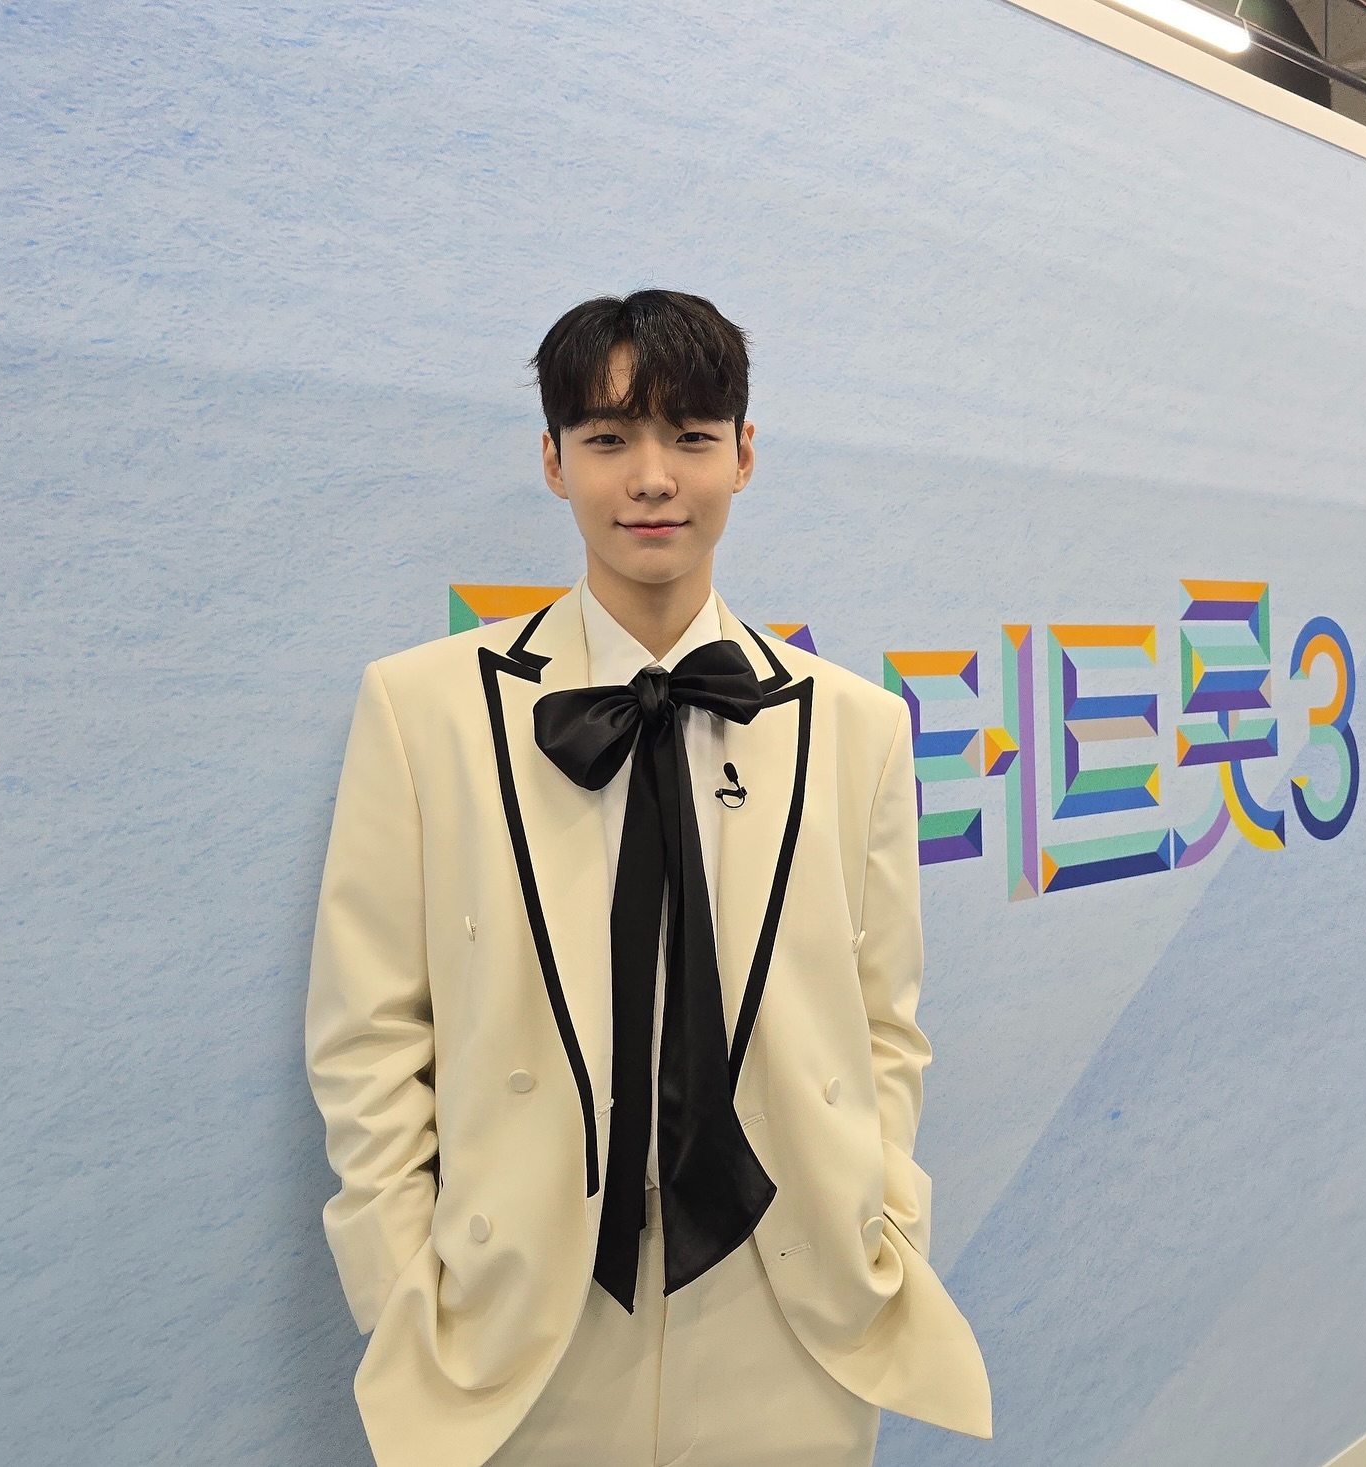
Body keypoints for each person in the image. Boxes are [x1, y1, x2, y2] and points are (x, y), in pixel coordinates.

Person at [305, 289, 991, 1467]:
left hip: (792, 1299)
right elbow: (367, 1029)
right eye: (610, 438)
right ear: (554, 461)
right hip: (525, 1315)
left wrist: (884, 1213)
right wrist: (404, 1282)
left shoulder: (857, 726)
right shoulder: (425, 709)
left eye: (691, 436)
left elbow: (885, 1018)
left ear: (745, 455)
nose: (653, 477)